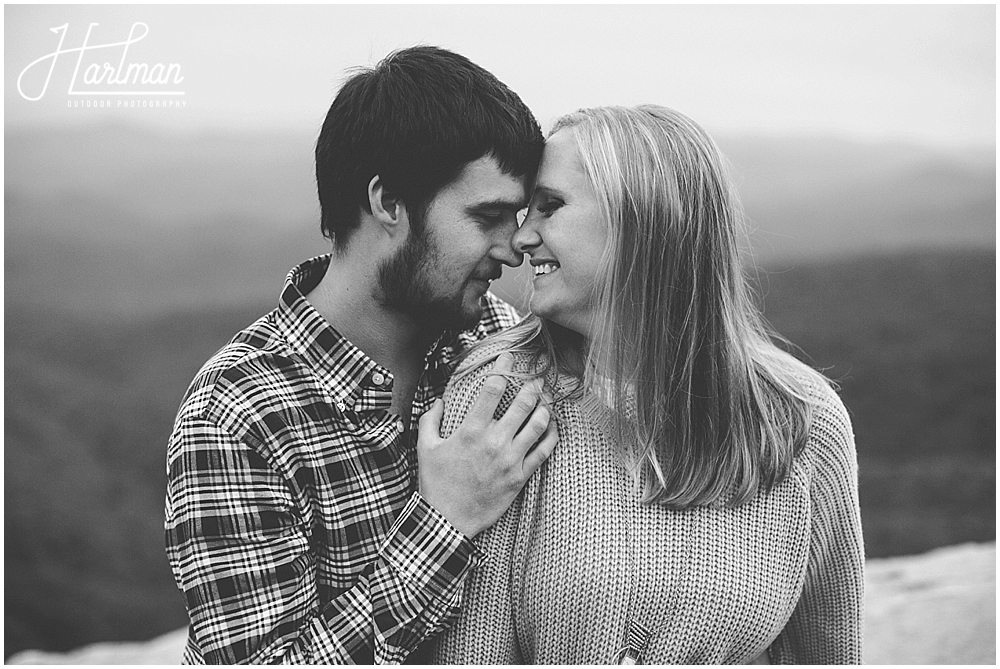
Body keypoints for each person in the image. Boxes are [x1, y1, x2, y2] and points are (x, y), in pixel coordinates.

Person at [164, 46, 558, 664]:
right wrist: (445, 520)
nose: (514, 249)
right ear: (388, 202)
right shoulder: (240, 416)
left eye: (520, 217)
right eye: (487, 216)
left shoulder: (498, 345)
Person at [428, 105, 865, 664]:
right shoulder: (500, 398)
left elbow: (827, 654)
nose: (522, 239)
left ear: (641, 221)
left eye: (551, 207)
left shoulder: (799, 419)